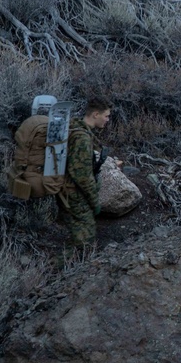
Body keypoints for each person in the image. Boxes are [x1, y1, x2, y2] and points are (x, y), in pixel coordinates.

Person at [58, 97, 111, 253]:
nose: (107, 120)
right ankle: (57, 269)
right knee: (85, 240)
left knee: (80, 236)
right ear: (95, 114)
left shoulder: (74, 127)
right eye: (106, 116)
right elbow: (81, 174)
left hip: (68, 191)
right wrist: (94, 202)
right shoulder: (82, 138)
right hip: (73, 194)